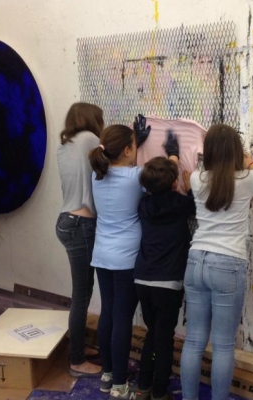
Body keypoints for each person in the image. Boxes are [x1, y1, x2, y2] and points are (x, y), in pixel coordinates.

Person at [180, 124, 253, 400]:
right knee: (223, 346)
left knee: (194, 341)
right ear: (236, 151)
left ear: (209, 151)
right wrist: (250, 162)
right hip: (227, 264)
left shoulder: (197, 179)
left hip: (196, 260)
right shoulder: (246, 179)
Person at [88, 118, 151, 400]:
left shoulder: (97, 175)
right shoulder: (136, 177)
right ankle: (119, 386)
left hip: (102, 254)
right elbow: (158, 178)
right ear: (127, 150)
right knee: (123, 318)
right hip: (126, 257)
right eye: (134, 146)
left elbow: (119, 165)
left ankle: (108, 374)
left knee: (108, 313)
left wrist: (134, 143)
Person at [133, 135, 196, 400]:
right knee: (164, 338)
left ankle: (143, 387)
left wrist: (171, 158)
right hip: (168, 283)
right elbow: (195, 205)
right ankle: (159, 392)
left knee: (153, 334)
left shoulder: (143, 205)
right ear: (174, 184)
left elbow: (160, 189)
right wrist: (190, 188)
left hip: (142, 280)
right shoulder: (181, 204)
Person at [55, 102, 104, 377]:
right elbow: (113, 158)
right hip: (81, 225)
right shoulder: (89, 139)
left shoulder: (65, 146)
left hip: (66, 220)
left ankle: (79, 348)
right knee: (82, 295)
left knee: (81, 292)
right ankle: (76, 361)